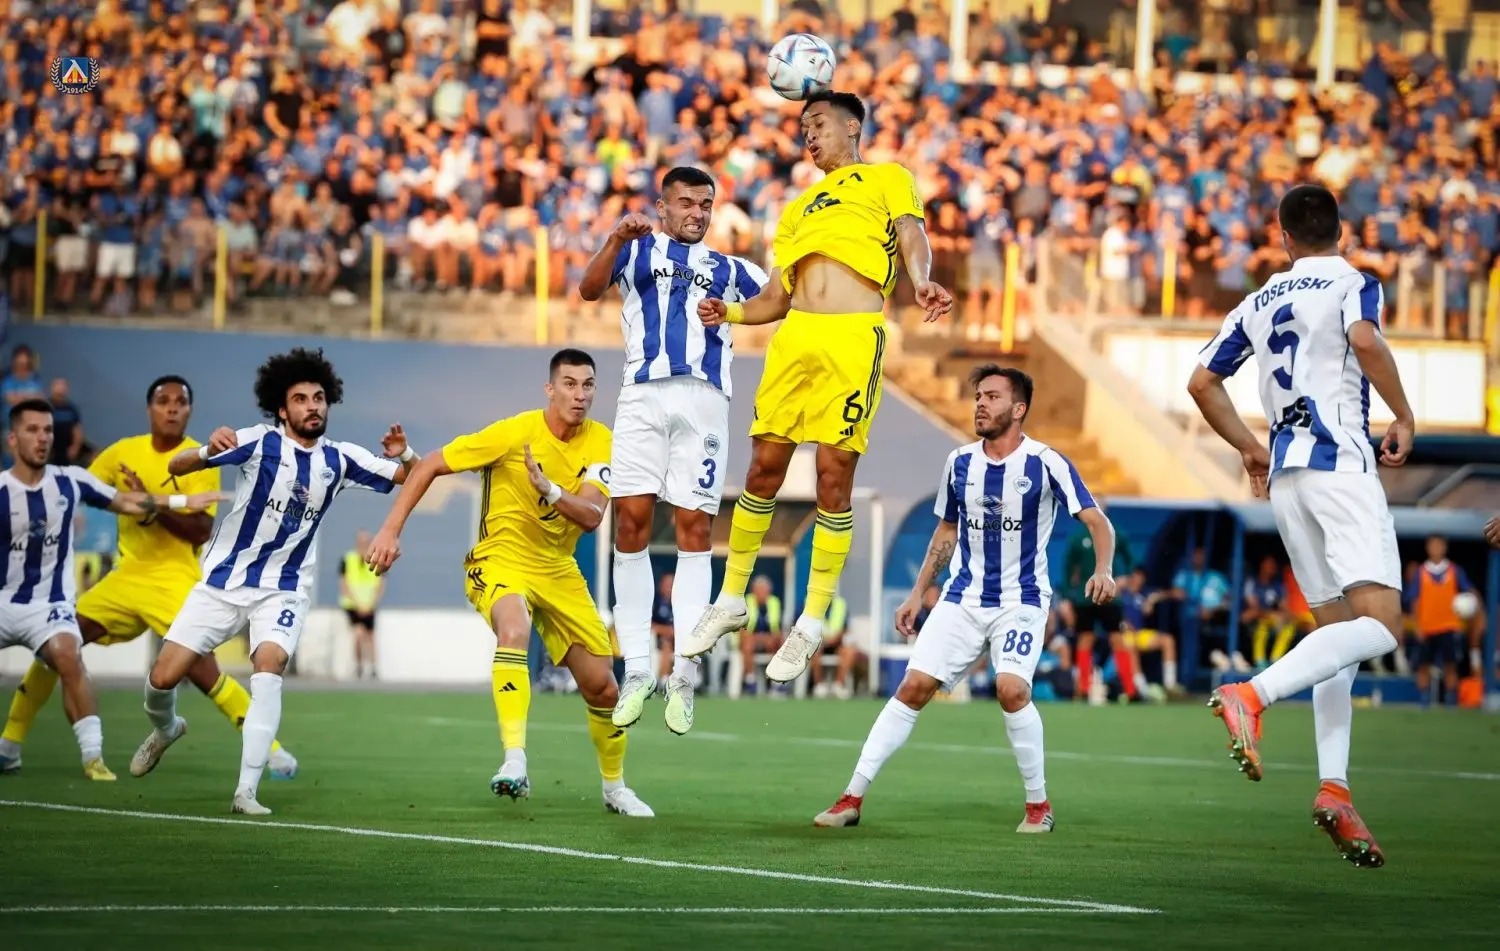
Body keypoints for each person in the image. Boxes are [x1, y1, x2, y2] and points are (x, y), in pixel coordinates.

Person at [680, 90, 953, 711]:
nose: (808, 133)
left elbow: (912, 235)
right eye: (803, 126)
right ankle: (731, 599)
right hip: (795, 337)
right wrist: (732, 312)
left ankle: (810, 621)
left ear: (852, 126)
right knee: (761, 469)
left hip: (852, 337)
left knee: (834, 474)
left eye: (818, 122)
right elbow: (777, 296)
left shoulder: (888, 178)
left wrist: (921, 280)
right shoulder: (797, 208)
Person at [1188, 183, 1416, 868]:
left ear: (1284, 238)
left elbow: (1201, 382)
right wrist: (1403, 414)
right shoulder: (1352, 282)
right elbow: (1364, 340)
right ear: (1340, 231)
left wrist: (1249, 448)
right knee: (1381, 626)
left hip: (1287, 477)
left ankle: (1335, 788)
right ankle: (1250, 693)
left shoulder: (1257, 300)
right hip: (1341, 465)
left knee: (1338, 638)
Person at [813, 366, 1117, 832]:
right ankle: (850, 798)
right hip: (962, 598)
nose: (980, 404)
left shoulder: (1046, 462)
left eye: (992, 396)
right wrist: (918, 594)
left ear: (1019, 409)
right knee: (912, 686)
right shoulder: (959, 463)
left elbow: (1096, 520)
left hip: (1021, 601)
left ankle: (1038, 807)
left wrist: (1103, 569)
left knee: (1011, 689)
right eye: (978, 396)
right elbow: (946, 531)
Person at [366, 349, 653, 818]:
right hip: (501, 559)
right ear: (550, 389)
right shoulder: (512, 433)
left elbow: (592, 515)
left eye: (587, 385)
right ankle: (515, 760)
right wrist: (390, 530)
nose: (579, 395)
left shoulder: (602, 440)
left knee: (603, 687)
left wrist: (550, 490)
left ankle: (615, 787)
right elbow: (432, 465)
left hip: (557, 568)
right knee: (514, 629)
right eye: (569, 384)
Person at [130, 348, 416, 816]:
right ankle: (166, 729)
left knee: (269, 667)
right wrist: (207, 449)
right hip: (223, 584)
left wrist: (404, 452)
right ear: (282, 410)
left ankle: (246, 791)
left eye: (319, 398)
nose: (312, 406)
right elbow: (176, 467)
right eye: (301, 399)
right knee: (161, 679)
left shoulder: (341, 458)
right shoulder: (258, 442)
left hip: (284, 589)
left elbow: (412, 476)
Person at [0, 376, 299, 779]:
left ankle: (272, 751)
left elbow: (199, 531)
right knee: (55, 645)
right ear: (149, 409)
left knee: (203, 672)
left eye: (180, 402)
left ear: (189, 410)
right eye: (163, 401)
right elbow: (83, 489)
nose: (172, 408)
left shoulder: (200, 457)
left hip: (174, 579)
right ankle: (10, 743)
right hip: (125, 578)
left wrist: (153, 507)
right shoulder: (123, 452)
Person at [576, 166, 766, 735]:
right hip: (642, 396)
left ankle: (683, 674)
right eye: (685, 203)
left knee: (694, 530)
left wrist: (739, 310)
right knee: (631, 523)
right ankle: (637, 668)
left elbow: (782, 298)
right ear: (662, 207)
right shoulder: (635, 250)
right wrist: (615, 236)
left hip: (705, 401)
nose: (696, 214)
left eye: (705, 205)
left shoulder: (732, 269)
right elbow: (587, 289)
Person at [0, 399, 220, 779]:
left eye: (47, 430)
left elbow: (126, 502)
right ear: (12, 439)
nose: (42, 438)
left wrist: (184, 501)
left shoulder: (71, 480)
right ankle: (9, 748)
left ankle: (93, 758)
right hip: (4, 601)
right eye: (32, 430)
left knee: (68, 655)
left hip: (49, 607)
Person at [1403, 535, 1475, 707]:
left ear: (1444, 548)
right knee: (1423, 666)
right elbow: (1414, 600)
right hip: (1427, 627)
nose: (1436, 549)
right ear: (1428, 548)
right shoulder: (1421, 571)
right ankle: (1423, 702)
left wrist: (1471, 606)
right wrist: (1418, 626)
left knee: (1450, 666)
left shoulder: (1454, 570)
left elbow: (1468, 593)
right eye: (1433, 545)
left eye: (1439, 545)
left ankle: (1450, 702)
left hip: (1449, 626)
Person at [340, 529, 384, 680]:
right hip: (353, 605)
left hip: (369, 605)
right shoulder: (348, 559)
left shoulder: (376, 559)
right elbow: (344, 584)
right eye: (361, 541)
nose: (363, 544)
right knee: (358, 634)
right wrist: (357, 604)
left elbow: (380, 584)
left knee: (370, 636)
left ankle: (373, 668)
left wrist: (372, 603)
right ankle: (358, 666)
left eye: (366, 541)